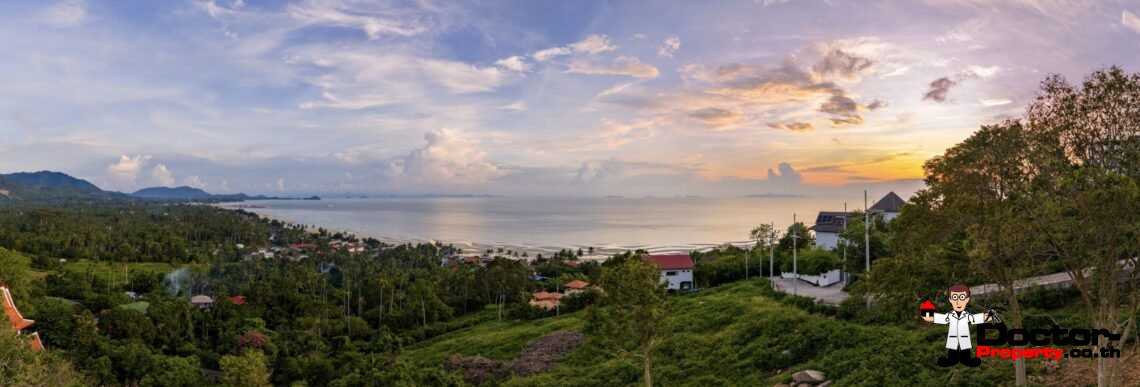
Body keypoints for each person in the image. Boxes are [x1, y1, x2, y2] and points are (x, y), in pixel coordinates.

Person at [922, 284, 991, 367]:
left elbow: (975, 318)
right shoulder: (950, 315)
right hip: (953, 337)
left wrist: (988, 316)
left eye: (962, 298)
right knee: (952, 351)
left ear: (967, 300)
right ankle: (951, 360)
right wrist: (928, 317)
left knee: (965, 351)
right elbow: (941, 318)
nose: (958, 302)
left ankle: (967, 360)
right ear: (950, 300)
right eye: (955, 298)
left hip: (964, 337)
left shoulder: (967, 315)